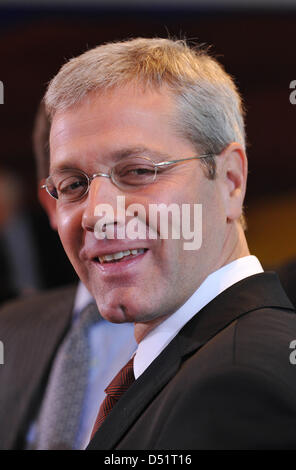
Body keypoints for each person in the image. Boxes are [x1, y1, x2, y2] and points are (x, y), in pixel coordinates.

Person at [40, 37, 296, 449]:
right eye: (73, 184)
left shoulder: (241, 383)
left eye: (138, 171)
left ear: (230, 180)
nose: (95, 214)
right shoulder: (200, 360)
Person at [0, 102, 137, 450]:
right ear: (51, 205)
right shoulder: (9, 325)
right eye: (74, 184)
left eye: (137, 172)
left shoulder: (224, 331)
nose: (102, 213)